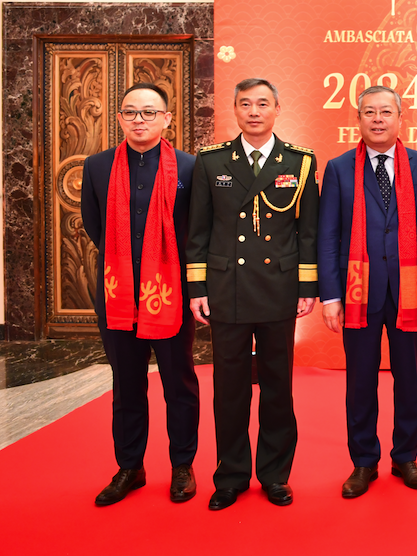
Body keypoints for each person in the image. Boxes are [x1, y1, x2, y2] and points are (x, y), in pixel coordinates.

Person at [186, 78, 320, 511]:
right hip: (227, 290)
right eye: (246, 104)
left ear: (277, 109)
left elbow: (308, 232)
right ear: (235, 110)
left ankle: (275, 475)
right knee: (230, 390)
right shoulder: (211, 161)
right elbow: (198, 231)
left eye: (263, 103)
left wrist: (307, 286)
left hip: (278, 289)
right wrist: (197, 287)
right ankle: (230, 476)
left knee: (278, 388)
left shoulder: (299, 161)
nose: (254, 111)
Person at [317, 86, 417, 498]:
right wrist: (330, 296)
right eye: (369, 112)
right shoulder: (338, 168)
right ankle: (363, 461)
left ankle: (406, 456)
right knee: (360, 381)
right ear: (358, 119)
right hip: (357, 290)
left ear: (400, 118)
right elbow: (328, 236)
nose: (377, 119)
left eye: (386, 112)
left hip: (408, 289)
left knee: (409, 379)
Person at [81, 83, 200, 506]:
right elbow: (93, 224)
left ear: (166, 119)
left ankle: (182, 465)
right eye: (130, 112)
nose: (139, 120)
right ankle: (130, 467)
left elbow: (196, 231)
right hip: (117, 293)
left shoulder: (190, 167)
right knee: (126, 385)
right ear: (119, 119)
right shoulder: (97, 166)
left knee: (178, 384)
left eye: (149, 112)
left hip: (170, 293)